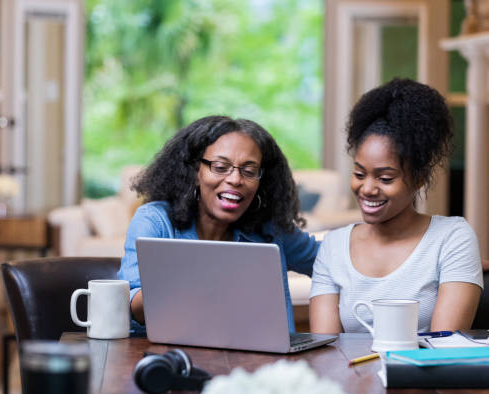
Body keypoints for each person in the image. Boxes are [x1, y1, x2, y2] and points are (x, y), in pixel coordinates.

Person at [309, 78, 484, 333]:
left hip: (422, 373)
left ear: (419, 178)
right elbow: (325, 349)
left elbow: (444, 348)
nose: (367, 188)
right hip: (347, 373)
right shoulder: (334, 247)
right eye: (359, 174)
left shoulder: (452, 238)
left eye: (385, 178)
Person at [117, 115, 319, 333]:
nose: (235, 179)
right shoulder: (155, 221)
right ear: (195, 172)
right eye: (221, 167)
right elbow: (129, 304)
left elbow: (329, 260)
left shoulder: (270, 229)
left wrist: (359, 233)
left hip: (264, 362)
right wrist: (197, 280)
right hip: (180, 359)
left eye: (249, 171)